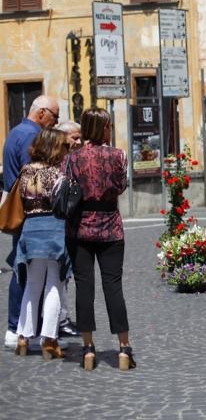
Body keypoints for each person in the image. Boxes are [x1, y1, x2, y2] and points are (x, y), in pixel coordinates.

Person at [66, 107, 133, 371]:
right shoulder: (118, 155)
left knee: (84, 287)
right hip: (110, 227)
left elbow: (65, 188)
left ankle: (88, 348)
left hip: (79, 228)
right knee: (113, 286)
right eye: (108, 126)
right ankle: (124, 348)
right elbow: (121, 186)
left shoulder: (72, 159)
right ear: (103, 128)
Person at [2, 94, 59, 349]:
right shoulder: (31, 137)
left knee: (23, 269)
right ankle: (21, 328)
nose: (55, 123)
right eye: (54, 117)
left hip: (21, 212)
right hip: (33, 215)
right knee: (26, 273)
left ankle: (21, 329)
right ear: (42, 112)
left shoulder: (16, 131)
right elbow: (34, 181)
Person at [12, 128, 72, 359]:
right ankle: (49, 338)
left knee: (32, 283)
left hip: (30, 228)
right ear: (55, 147)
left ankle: (23, 337)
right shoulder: (57, 172)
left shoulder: (26, 170)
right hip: (54, 228)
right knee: (55, 284)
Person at [53, 120, 82, 338]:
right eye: (75, 137)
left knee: (65, 274)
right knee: (60, 274)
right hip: (58, 226)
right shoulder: (57, 162)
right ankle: (60, 320)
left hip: (69, 225)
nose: (79, 141)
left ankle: (62, 318)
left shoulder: (73, 159)